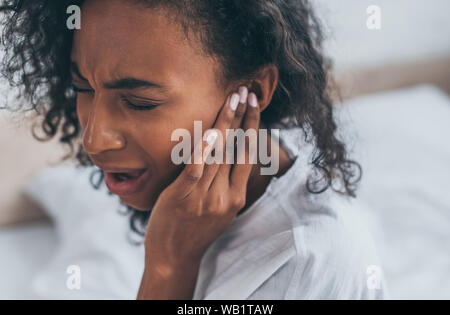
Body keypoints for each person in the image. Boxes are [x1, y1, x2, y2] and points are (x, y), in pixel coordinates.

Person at [0, 0, 388, 299]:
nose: (94, 139)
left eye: (140, 102)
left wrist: (168, 269)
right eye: (83, 88)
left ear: (251, 93)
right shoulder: (192, 192)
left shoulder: (300, 263)